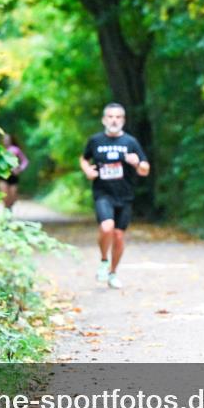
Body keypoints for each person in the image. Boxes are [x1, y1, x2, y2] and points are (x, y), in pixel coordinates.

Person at [79, 103, 150, 289]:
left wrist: (136, 164)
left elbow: (145, 170)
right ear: (104, 119)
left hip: (125, 195)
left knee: (118, 236)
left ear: (123, 121)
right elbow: (84, 158)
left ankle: (112, 272)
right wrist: (88, 170)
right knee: (106, 227)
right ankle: (103, 260)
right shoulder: (95, 141)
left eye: (118, 117)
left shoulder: (130, 142)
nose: (114, 120)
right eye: (110, 116)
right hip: (103, 193)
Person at [0, 134, 29, 210]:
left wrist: (20, 169)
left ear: (11, 140)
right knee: (4, 194)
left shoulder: (15, 149)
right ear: (2, 140)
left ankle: (9, 208)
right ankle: (5, 211)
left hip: (13, 175)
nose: (6, 141)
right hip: (2, 175)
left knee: (12, 195)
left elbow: (25, 161)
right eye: (5, 139)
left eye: (8, 139)